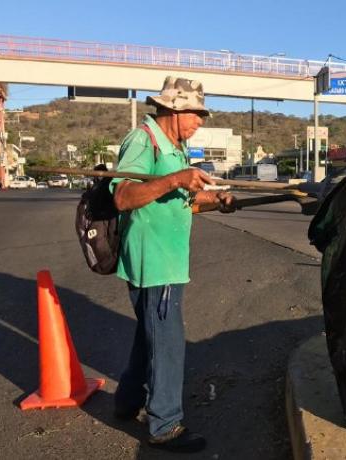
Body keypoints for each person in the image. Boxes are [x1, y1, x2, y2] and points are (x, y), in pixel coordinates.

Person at [110, 76, 235, 453]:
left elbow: (184, 203)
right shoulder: (143, 139)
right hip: (154, 258)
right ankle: (164, 424)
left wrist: (216, 199)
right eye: (196, 114)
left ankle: (126, 402)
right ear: (175, 110)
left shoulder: (175, 148)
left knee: (149, 334)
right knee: (166, 343)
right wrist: (176, 179)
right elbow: (123, 195)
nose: (200, 121)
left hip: (168, 256)